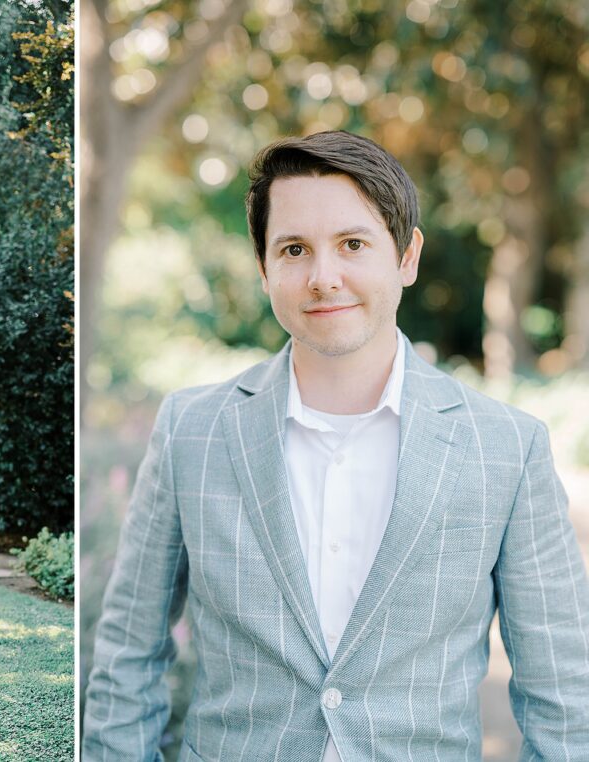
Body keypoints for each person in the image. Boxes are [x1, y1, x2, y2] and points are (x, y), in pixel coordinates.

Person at [82, 131, 589, 760]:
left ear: (406, 257)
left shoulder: (508, 450)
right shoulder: (191, 430)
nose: (324, 278)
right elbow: (127, 656)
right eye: (294, 249)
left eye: (353, 244)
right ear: (265, 269)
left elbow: (566, 697)